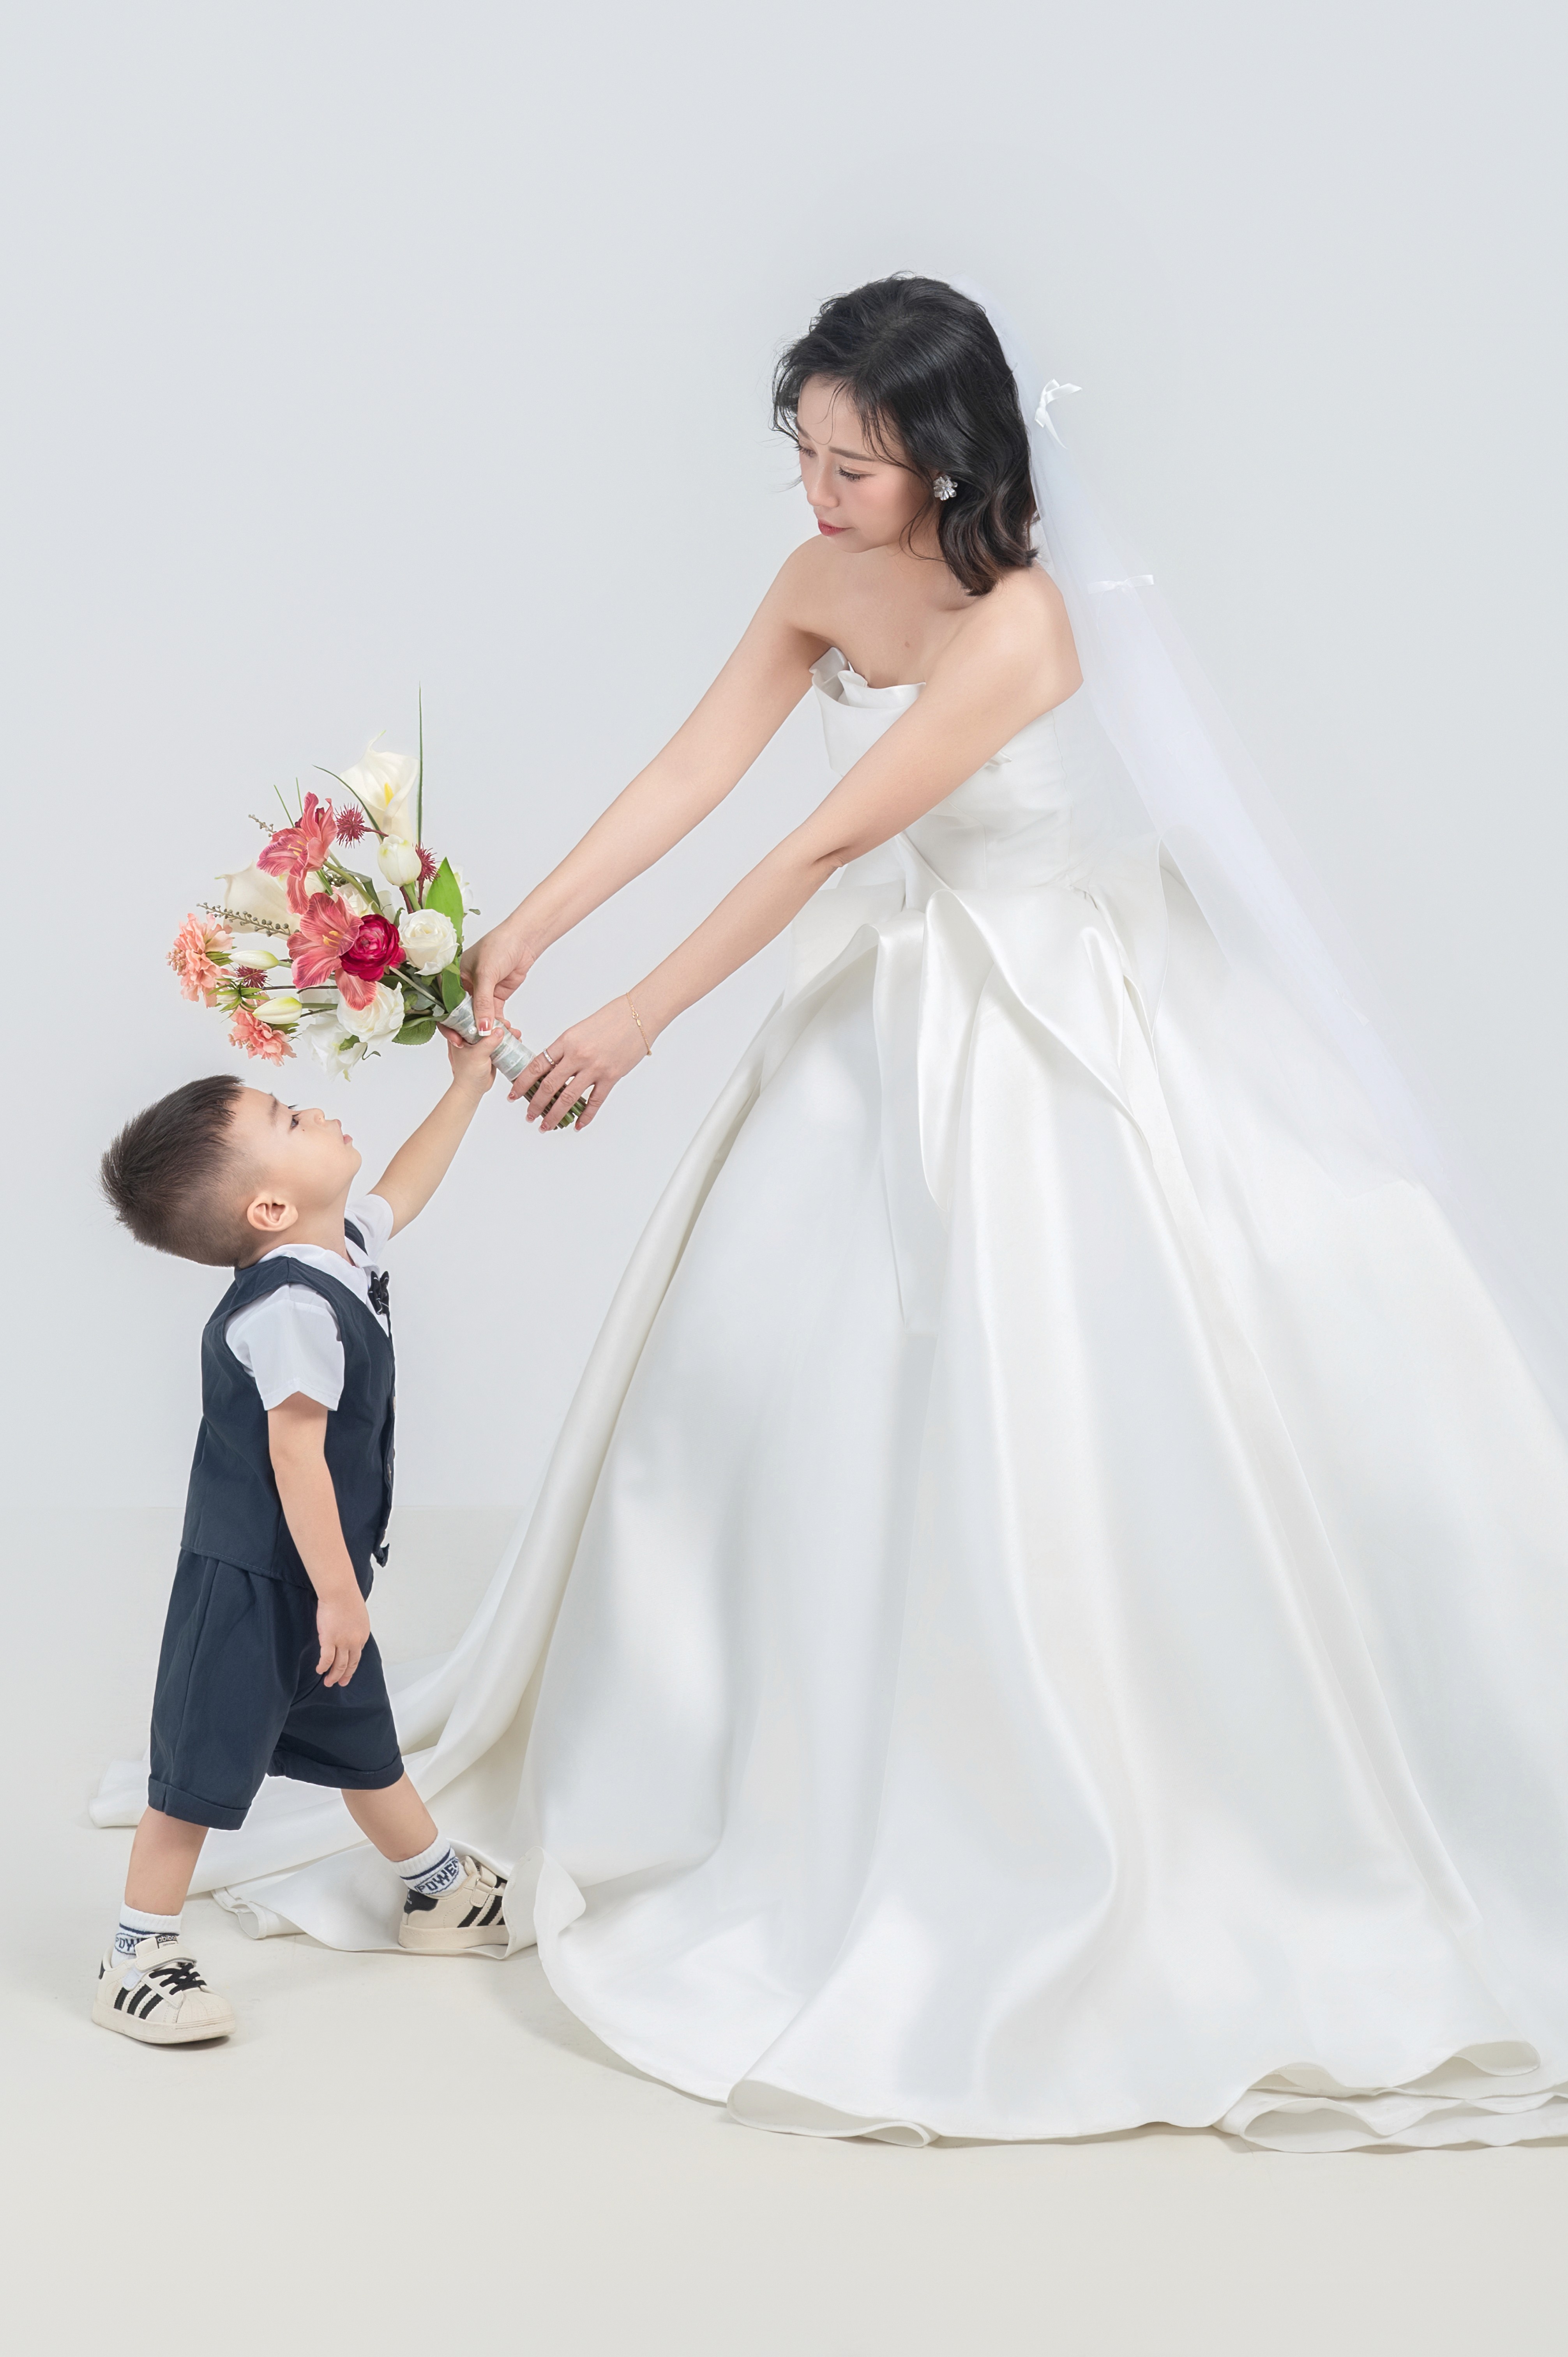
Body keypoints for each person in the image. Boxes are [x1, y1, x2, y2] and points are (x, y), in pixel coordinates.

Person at [194, 276, 1568, 2151]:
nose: (819, 494)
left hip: (1043, 1008)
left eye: (852, 465)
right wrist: (520, 934)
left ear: (944, 457)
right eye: (806, 457)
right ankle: (735, 1741)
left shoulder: (1026, 623)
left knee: (1066, 1384)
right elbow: (696, 770)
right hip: (890, 994)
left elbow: (826, 838)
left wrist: (635, 1020)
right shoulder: (815, 578)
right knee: (761, 1382)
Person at [94, 1041, 509, 2042]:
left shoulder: (339, 1248)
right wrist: (338, 1593)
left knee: (364, 1745)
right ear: (271, 1208)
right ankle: (135, 1954)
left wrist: (467, 1083)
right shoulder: (287, 1307)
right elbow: (296, 1457)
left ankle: (437, 1889)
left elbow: (405, 1185)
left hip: (319, 1579)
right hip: (251, 1581)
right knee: (197, 1771)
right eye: (287, 1119)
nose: (315, 1111)